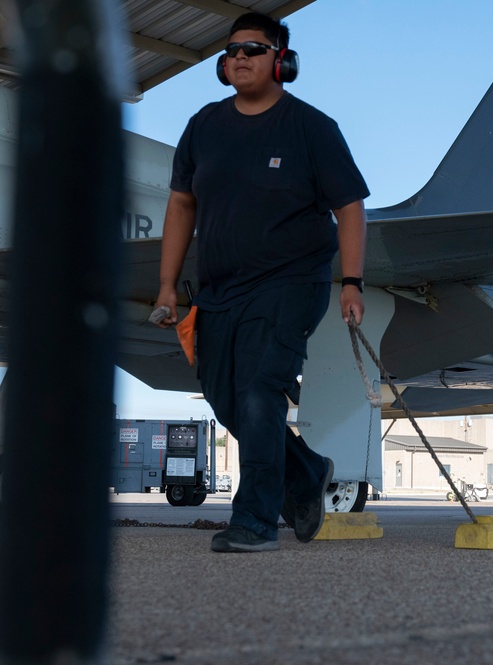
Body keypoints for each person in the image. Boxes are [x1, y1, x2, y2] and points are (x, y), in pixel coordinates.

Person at [155, 12, 369, 553]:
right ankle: (305, 471)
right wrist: (165, 285)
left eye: (254, 48)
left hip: (289, 281)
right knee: (225, 399)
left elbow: (349, 206)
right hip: (219, 289)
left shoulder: (311, 128)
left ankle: (254, 518)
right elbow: (182, 204)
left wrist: (352, 281)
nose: (240, 58)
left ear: (282, 61)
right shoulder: (203, 126)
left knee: (259, 392)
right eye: (231, 52)